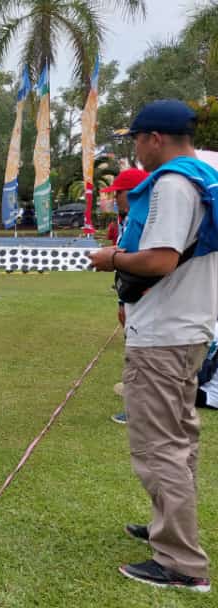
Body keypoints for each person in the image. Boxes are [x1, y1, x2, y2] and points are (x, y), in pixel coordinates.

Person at [88, 99, 217, 592]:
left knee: (159, 445)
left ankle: (181, 562)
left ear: (155, 138)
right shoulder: (204, 178)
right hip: (189, 327)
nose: (136, 151)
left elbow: (160, 260)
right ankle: (169, 525)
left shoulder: (171, 184)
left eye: (136, 141)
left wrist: (111, 258)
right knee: (179, 438)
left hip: (164, 332)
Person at [100, 167, 151, 425]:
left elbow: (128, 257)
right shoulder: (143, 215)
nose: (115, 198)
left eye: (118, 193)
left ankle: (139, 410)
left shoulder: (139, 217)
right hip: (140, 294)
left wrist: (109, 258)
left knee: (142, 352)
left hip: (143, 296)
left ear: (132, 193)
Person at [103, 168, 149, 248]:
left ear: (135, 192)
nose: (115, 197)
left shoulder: (142, 222)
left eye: (119, 192)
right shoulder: (129, 219)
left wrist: (112, 255)